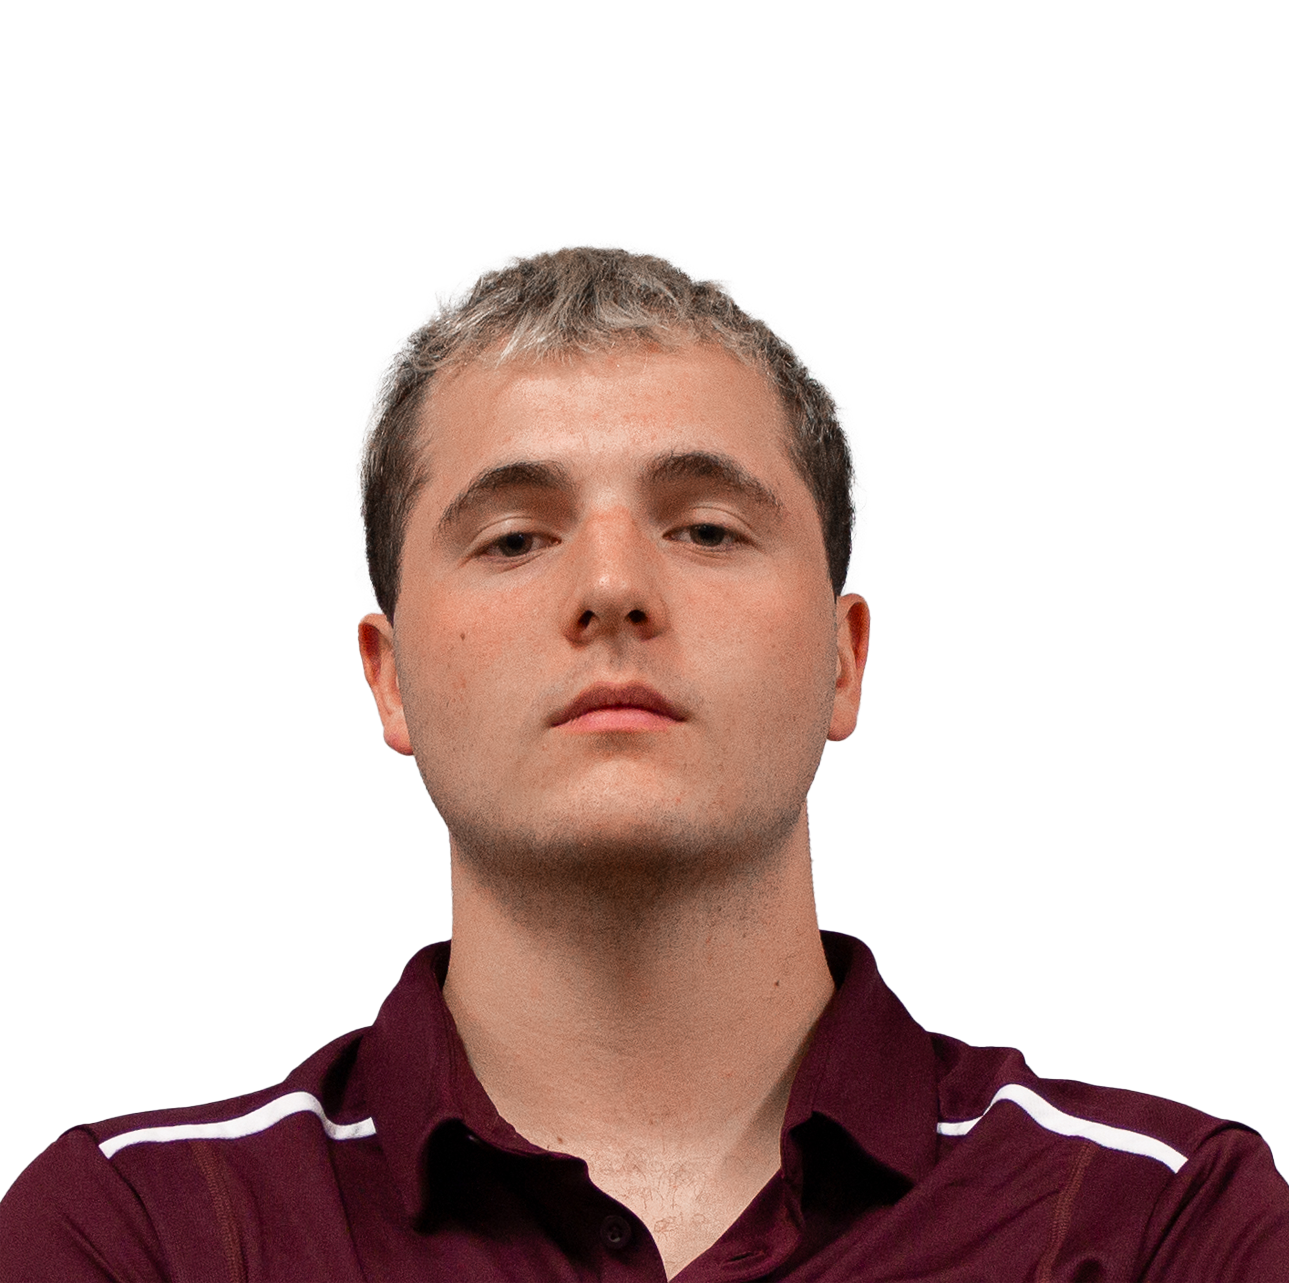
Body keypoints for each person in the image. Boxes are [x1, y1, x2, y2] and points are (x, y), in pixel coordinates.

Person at [1, 245, 1286, 1281]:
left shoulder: (1161, 1225)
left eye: (707, 527)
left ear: (841, 660)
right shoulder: (141, 1233)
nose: (612, 585)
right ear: (389, 677)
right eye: (514, 538)